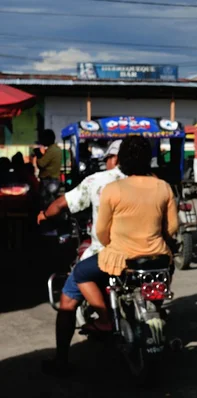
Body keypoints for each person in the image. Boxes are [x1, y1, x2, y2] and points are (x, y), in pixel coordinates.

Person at [72, 136, 179, 332]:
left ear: (121, 159)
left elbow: (101, 231)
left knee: (80, 273)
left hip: (120, 257)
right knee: (166, 271)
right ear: (148, 159)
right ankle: (156, 306)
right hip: (157, 256)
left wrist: (112, 245)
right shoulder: (163, 186)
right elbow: (172, 227)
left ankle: (105, 319)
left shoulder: (113, 189)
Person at [39, 140, 125, 377]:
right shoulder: (152, 182)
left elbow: (60, 204)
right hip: (147, 253)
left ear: (113, 159)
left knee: (68, 298)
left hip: (106, 254)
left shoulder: (99, 180)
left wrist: (44, 214)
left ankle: (62, 360)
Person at [34, 129, 62, 207]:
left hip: (48, 181)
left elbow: (41, 164)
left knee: (46, 204)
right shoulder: (57, 149)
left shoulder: (51, 150)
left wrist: (38, 154)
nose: (41, 141)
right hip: (55, 180)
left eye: (42, 138)